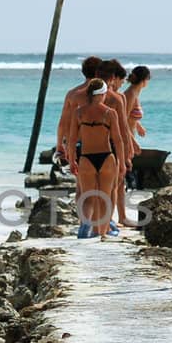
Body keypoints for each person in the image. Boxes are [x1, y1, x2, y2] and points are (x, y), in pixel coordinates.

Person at [72, 78, 124, 240]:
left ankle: (86, 228)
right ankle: (101, 233)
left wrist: (72, 159)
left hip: (86, 158)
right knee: (105, 197)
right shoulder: (110, 113)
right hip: (106, 157)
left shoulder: (79, 112)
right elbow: (117, 140)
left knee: (89, 197)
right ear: (102, 94)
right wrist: (122, 162)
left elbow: (73, 139)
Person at [100, 60, 135, 231]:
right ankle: (108, 223)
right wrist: (127, 155)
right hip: (112, 146)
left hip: (89, 146)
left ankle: (96, 222)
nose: (121, 84)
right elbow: (123, 129)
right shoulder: (116, 98)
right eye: (120, 80)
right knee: (113, 186)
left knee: (95, 187)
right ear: (114, 77)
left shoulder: (84, 95)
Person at [55, 56, 106, 171]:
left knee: (82, 183)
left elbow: (63, 122)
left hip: (76, 145)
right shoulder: (103, 95)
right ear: (100, 72)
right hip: (100, 146)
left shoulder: (72, 94)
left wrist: (60, 145)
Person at [122, 65, 151, 198]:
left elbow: (128, 116)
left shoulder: (135, 93)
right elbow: (122, 121)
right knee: (126, 172)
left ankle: (125, 202)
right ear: (145, 79)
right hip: (124, 138)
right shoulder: (130, 94)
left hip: (130, 136)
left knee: (128, 171)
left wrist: (138, 125)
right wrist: (133, 142)